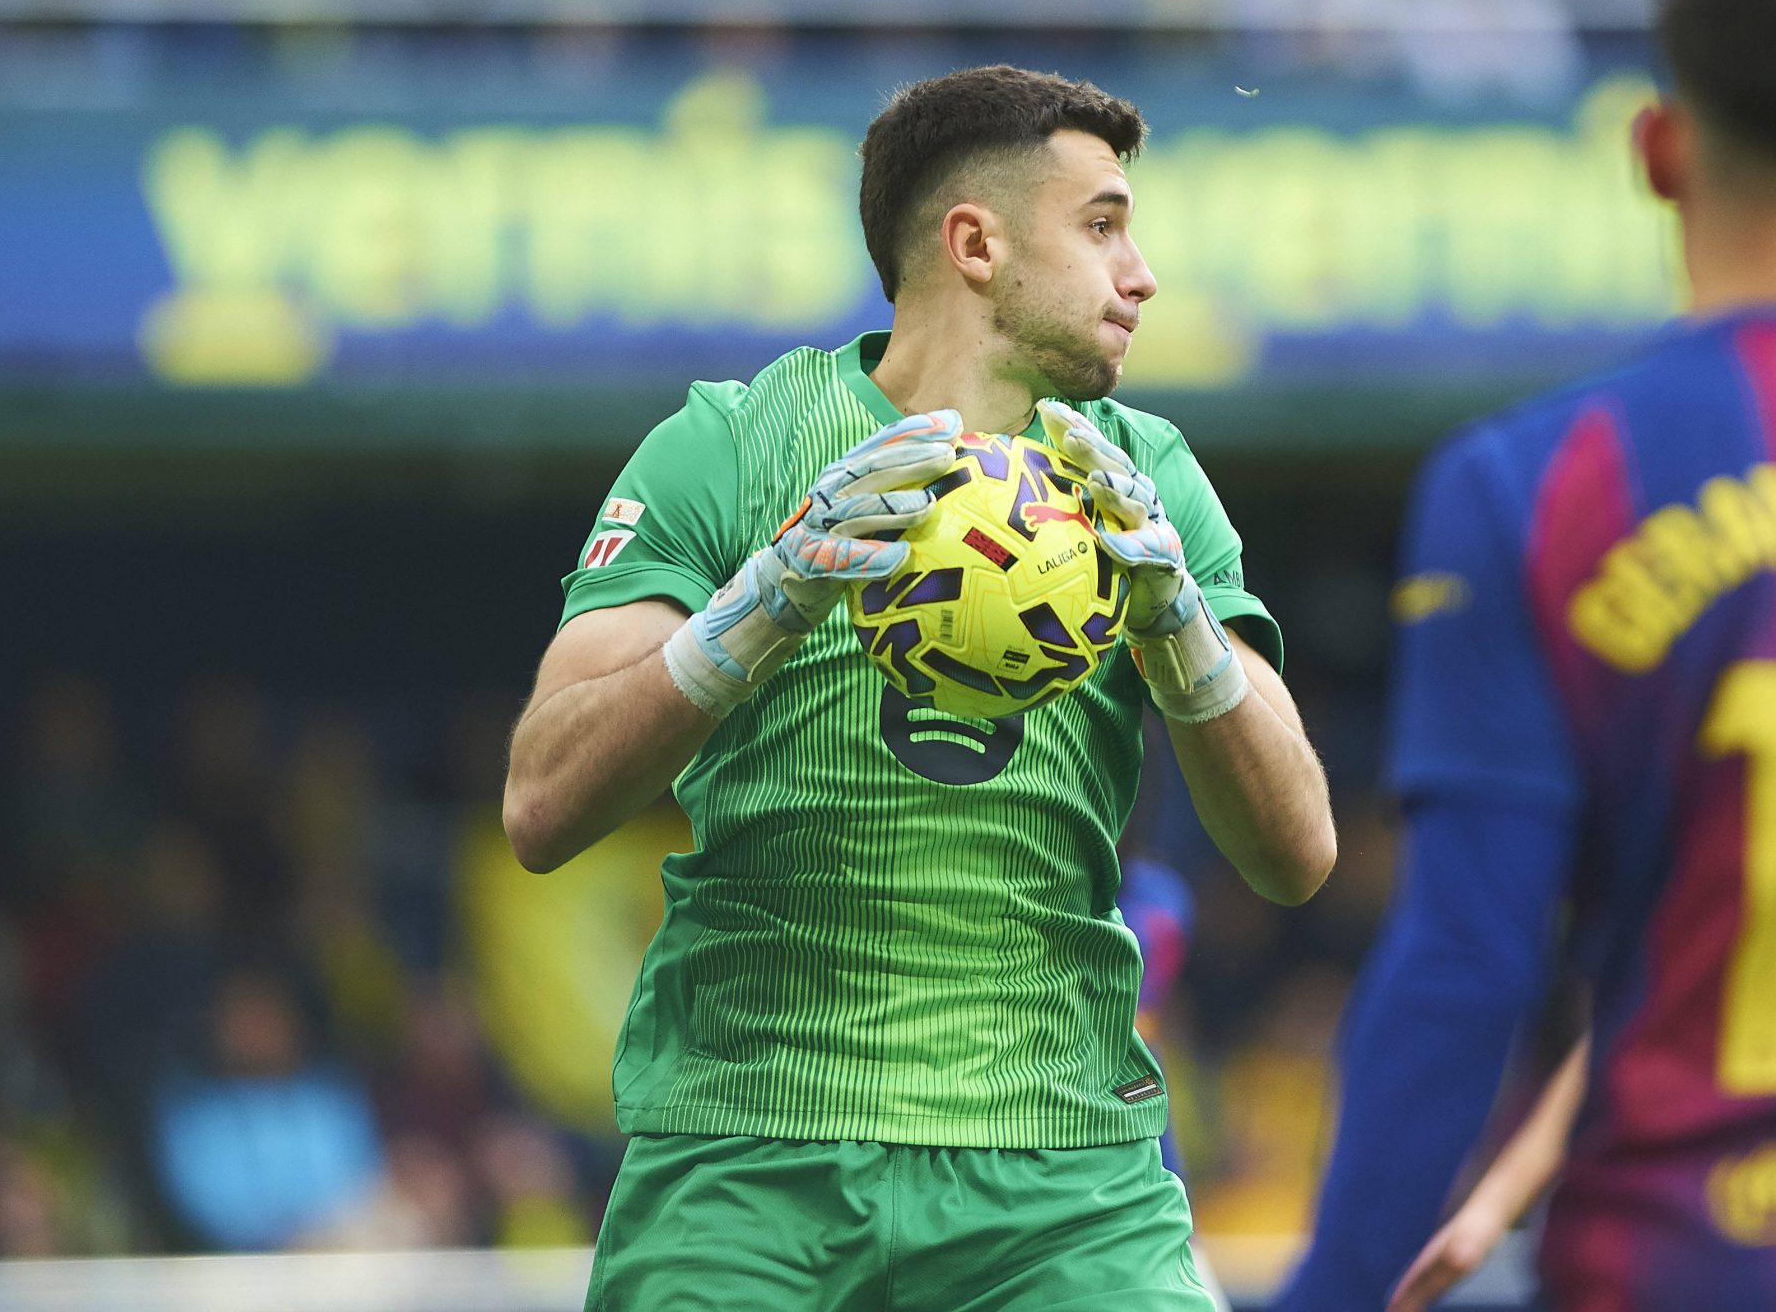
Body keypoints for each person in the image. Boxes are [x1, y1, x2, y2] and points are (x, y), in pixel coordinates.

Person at [504, 64, 1335, 1310]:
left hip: (1065, 1181)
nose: (1141, 271)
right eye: (1101, 225)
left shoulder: (1146, 473)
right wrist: (765, 601)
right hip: (746, 1161)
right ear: (974, 243)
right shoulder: (729, 444)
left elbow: (1297, 853)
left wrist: (1179, 633)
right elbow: (540, 800)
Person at [1275, 0, 1776, 1306]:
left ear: (1658, 148)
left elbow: (1469, 961)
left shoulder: (1544, 483)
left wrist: (1341, 1285)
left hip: (1683, 1252)